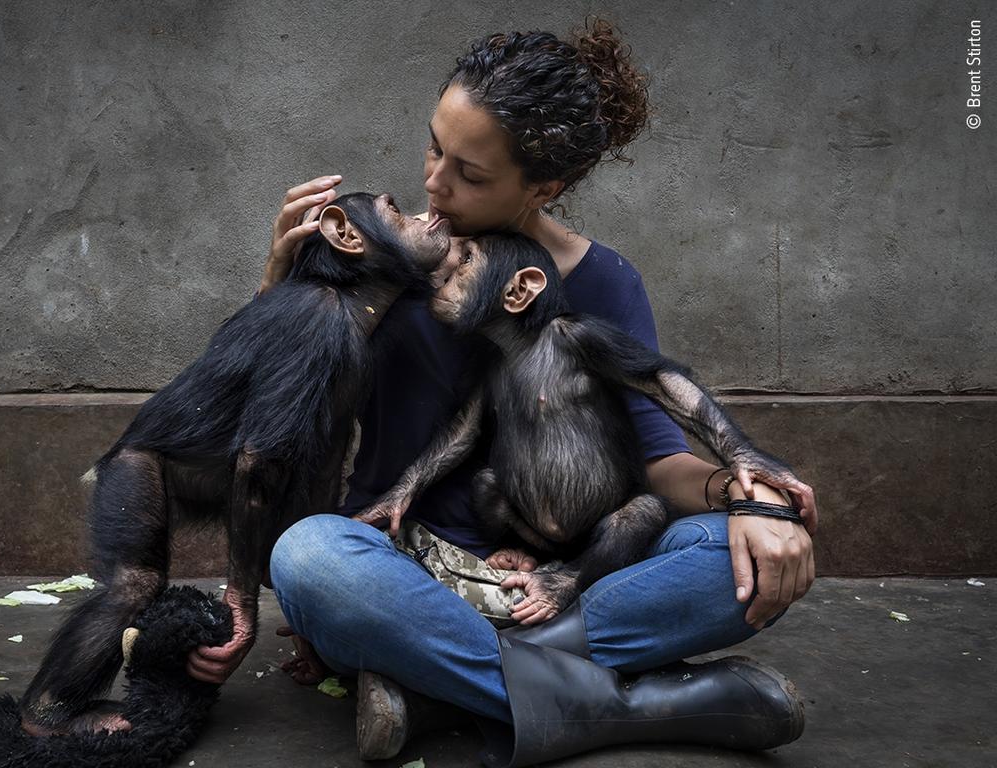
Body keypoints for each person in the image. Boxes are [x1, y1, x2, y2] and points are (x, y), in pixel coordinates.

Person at [190, 19, 818, 767]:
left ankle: (439, 686)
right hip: (404, 575)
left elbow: (657, 465)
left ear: (542, 187)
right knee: (310, 557)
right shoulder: (386, 256)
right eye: (434, 147)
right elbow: (268, 432)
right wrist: (280, 293)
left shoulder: (604, 285)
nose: (434, 183)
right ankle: (622, 705)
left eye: (471, 174)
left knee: (730, 558)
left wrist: (752, 499)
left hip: (562, 584)